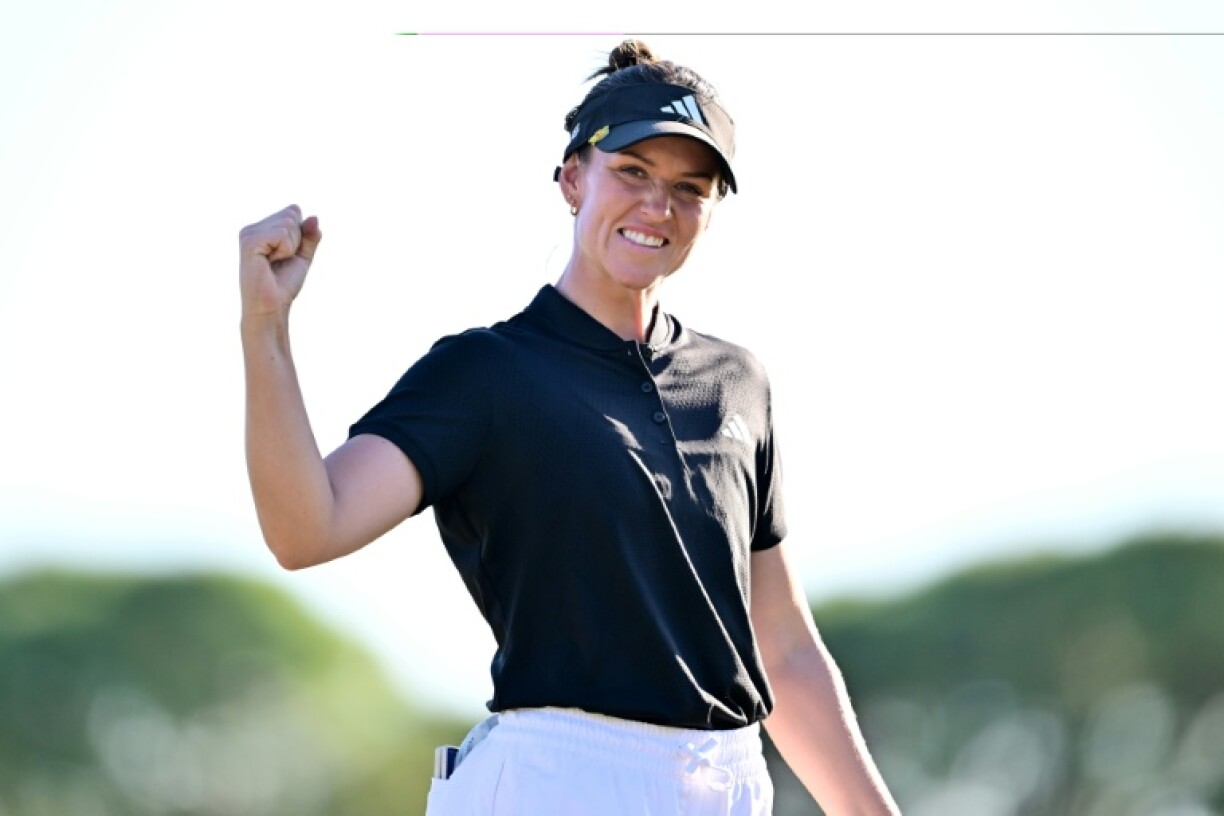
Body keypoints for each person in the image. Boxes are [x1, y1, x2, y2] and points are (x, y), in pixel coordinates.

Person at [238, 39, 901, 816]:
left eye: (690, 188)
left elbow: (783, 648)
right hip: (557, 784)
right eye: (633, 173)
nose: (659, 207)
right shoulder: (486, 373)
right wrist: (265, 328)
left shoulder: (737, 383)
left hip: (726, 784)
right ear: (571, 178)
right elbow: (307, 528)